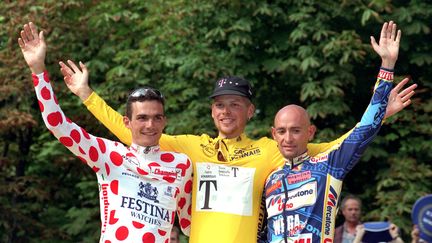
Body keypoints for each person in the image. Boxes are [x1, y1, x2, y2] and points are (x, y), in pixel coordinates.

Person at [59, 25, 416, 243]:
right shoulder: (190, 146)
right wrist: (86, 95)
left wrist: (381, 113)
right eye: (219, 105)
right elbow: (133, 131)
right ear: (211, 110)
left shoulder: (271, 149)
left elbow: (341, 146)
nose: (225, 111)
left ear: (250, 111)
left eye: (234, 104)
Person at [18, 22, 193, 242]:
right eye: (142, 118)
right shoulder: (110, 155)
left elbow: (190, 224)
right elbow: (57, 124)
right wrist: (38, 71)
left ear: (164, 121)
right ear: (127, 122)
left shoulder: (182, 164)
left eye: (157, 118)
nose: (150, 125)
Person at [264, 21, 404, 242]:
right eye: (282, 131)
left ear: (310, 132)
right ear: (274, 134)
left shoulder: (329, 164)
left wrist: (387, 65)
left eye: (296, 130)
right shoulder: (270, 179)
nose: (288, 138)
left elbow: (364, 129)